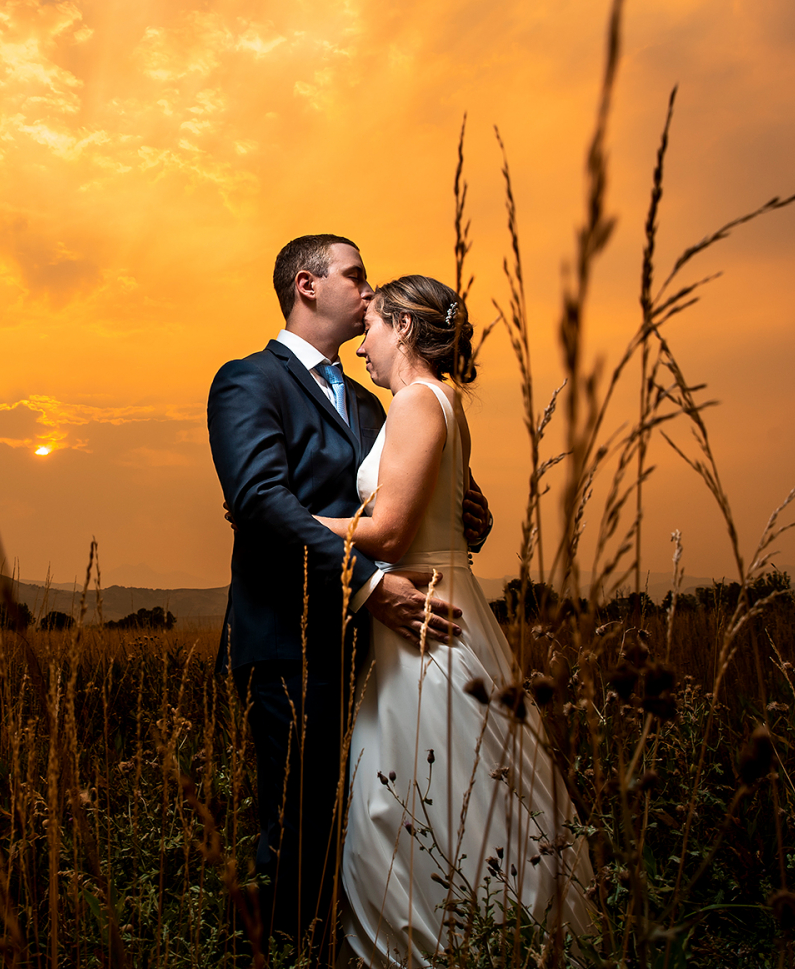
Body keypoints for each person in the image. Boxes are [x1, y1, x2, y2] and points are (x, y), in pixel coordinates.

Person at [207, 237, 493, 965]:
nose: (369, 294)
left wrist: (462, 513)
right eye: (356, 276)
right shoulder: (247, 381)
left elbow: (430, 495)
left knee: (369, 827)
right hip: (290, 643)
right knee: (299, 829)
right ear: (306, 285)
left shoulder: (377, 401)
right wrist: (366, 583)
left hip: (380, 654)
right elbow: (261, 501)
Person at [316, 275, 594, 967]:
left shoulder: (414, 400)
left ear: (404, 328)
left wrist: (290, 525)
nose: (365, 348)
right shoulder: (443, 402)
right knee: (462, 795)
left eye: (374, 329)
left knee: (430, 797)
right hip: (443, 601)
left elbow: (388, 529)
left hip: (424, 623)